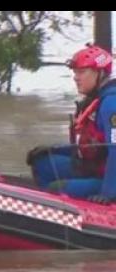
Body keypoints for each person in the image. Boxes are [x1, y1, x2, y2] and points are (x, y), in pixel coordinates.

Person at [26, 44, 116, 204]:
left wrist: (108, 194)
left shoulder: (111, 103)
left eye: (82, 72)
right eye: (75, 72)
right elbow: (88, 147)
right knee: (42, 162)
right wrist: (55, 149)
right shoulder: (94, 100)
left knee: (56, 188)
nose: (75, 77)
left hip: (108, 180)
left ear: (100, 73)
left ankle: (57, 213)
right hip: (93, 168)